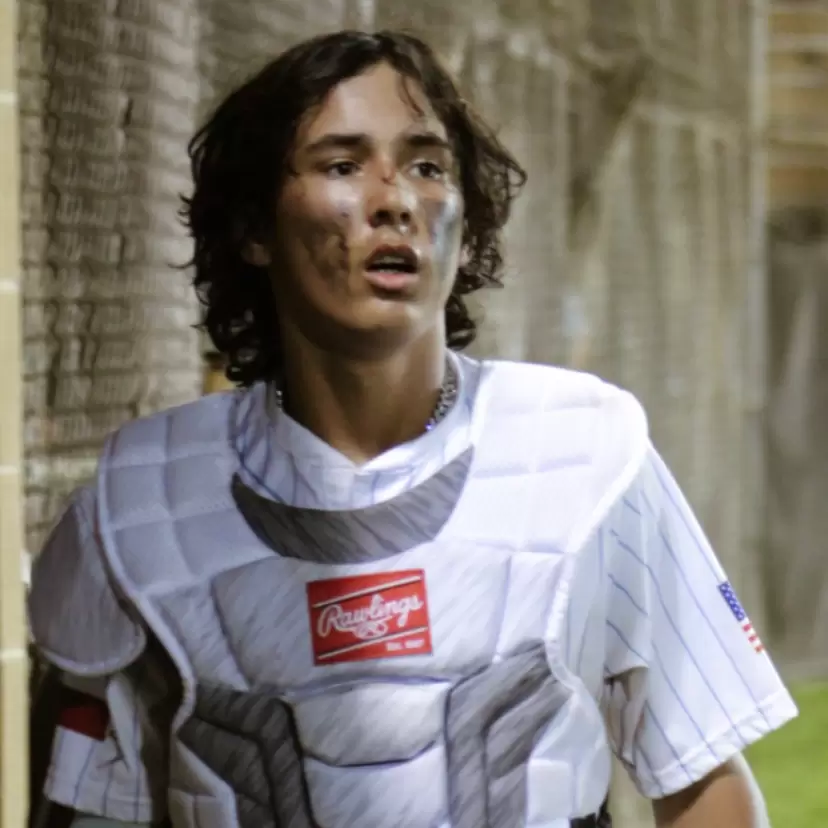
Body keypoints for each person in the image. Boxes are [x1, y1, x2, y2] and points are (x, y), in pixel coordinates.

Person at [28, 29, 795, 828]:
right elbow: (87, 807)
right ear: (254, 226)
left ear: (466, 226)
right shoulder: (139, 507)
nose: (394, 198)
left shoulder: (584, 457)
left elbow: (704, 784)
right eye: (342, 165)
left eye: (427, 166)